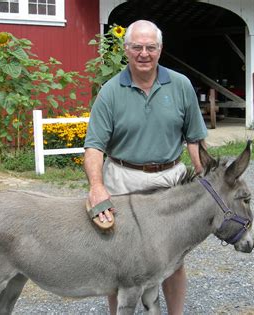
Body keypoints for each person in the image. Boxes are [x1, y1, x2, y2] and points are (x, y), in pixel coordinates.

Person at [83, 20, 208, 315]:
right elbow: (94, 147)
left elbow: (194, 139)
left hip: (169, 181)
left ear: (160, 50)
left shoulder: (181, 85)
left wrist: (205, 176)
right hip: (123, 181)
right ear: (126, 50)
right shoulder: (110, 91)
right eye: (137, 47)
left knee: (173, 260)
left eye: (150, 47)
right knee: (120, 262)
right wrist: (97, 186)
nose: (144, 53)